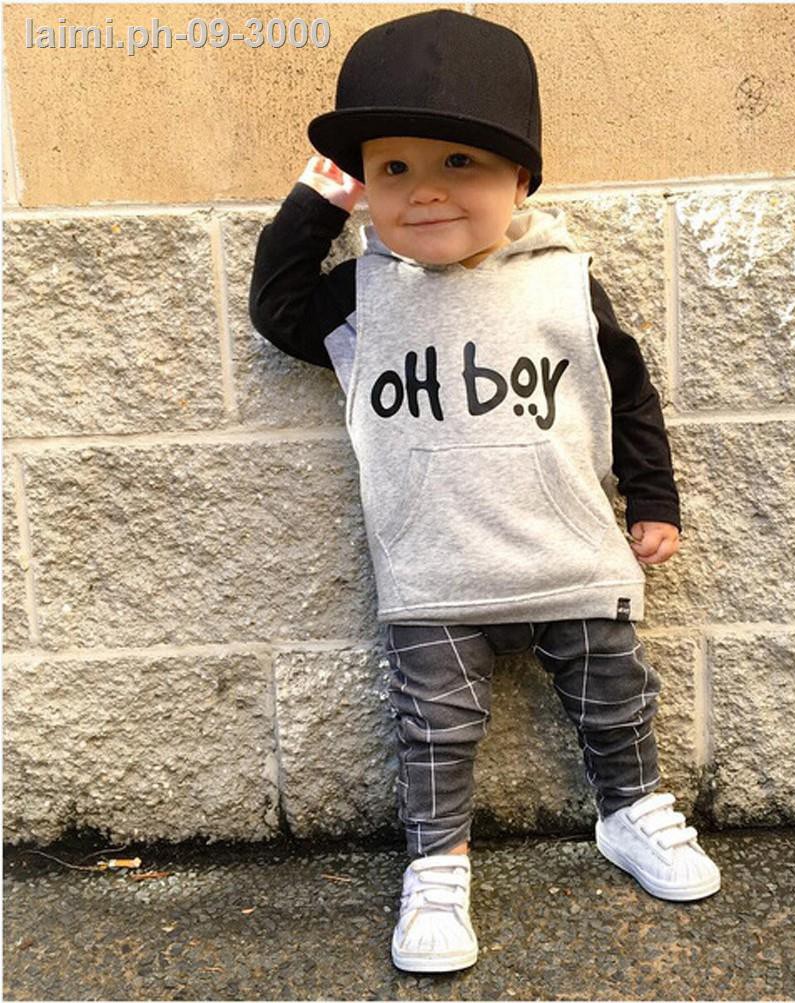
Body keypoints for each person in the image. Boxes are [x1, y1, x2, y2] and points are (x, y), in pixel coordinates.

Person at [249, 7, 721, 974]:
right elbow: (278, 308)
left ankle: (630, 810)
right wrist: (322, 193)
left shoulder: (562, 281)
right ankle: (437, 865)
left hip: (567, 552)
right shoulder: (363, 295)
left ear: (520, 179)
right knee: (435, 727)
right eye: (392, 168)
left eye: (459, 162)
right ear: (363, 184)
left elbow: (626, 390)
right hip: (435, 568)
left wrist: (652, 499)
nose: (424, 191)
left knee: (615, 695)